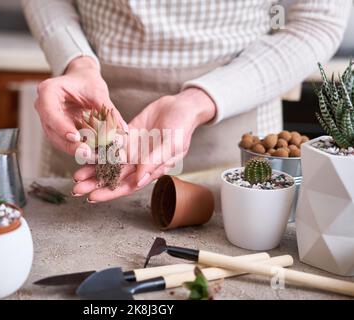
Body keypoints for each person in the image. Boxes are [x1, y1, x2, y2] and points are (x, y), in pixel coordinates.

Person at [22, 0, 351, 203]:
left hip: (234, 126)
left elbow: (318, 20)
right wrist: (75, 61)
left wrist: (201, 100)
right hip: (88, 124)